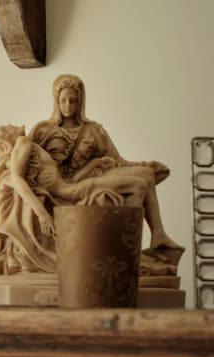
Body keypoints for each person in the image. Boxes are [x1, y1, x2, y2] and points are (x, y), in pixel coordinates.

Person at [27, 74, 182, 258]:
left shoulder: (93, 130)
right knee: (138, 184)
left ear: (80, 102)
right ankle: (126, 247)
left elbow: (117, 159)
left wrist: (143, 164)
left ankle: (158, 235)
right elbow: (25, 161)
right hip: (68, 184)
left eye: (73, 101)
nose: (68, 106)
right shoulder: (43, 130)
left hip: (93, 174)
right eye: (63, 101)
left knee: (146, 173)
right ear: (56, 101)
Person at [0, 125, 151, 275]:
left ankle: (128, 254)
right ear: (4, 141)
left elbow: (66, 179)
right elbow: (17, 179)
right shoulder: (23, 143)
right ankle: (128, 255)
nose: (8, 125)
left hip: (74, 188)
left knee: (139, 185)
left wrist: (94, 165)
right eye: (3, 129)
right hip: (73, 193)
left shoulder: (28, 146)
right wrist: (42, 214)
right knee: (138, 186)